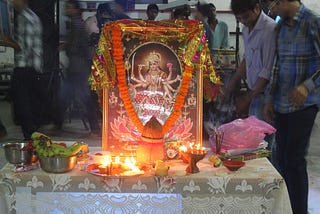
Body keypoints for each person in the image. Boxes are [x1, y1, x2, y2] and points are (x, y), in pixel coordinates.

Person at [263, 0, 320, 213]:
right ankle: (286, 208)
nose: (271, 10)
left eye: (274, 4)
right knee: (282, 160)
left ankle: (299, 210)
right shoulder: (280, 26)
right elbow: (277, 66)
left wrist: (306, 87)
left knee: (295, 161)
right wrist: (269, 99)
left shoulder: (312, 22)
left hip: (304, 104)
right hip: (281, 104)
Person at [54, 0, 100, 137]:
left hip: (77, 69)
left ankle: (95, 130)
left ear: (75, 9)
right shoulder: (77, 23)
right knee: (66, 97)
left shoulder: (76, 24)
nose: (66, 10)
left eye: (68, 7)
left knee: (82, 99)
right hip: (78, 68)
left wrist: (65, 47)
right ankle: (57, 125)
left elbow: (75, 48)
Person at [227, 0, 276, 122]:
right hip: (253, 90)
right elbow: (247, 57)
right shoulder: (246, 29)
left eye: (246, 17)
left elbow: (267, 70)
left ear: (256, 8)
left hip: (265, 94)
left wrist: (247, 99)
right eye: (240, 19)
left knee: (262, 137)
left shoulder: (270, 29)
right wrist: (234, 80)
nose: (244, 21)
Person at [0, 0, 43, 140]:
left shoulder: (25, 18)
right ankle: (31, 135)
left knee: (22, 104)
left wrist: (7, 42)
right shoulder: (32, 16)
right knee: (25, 102)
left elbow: (23, 48)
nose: (12, 2)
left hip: (24, 66)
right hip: (30, 67)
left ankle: (30, 137)